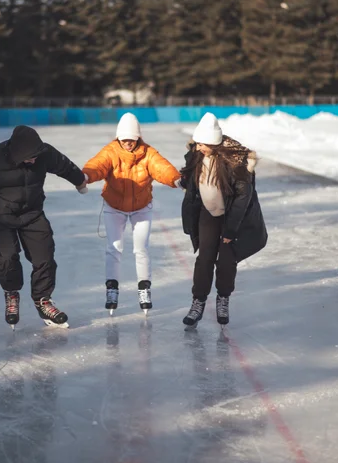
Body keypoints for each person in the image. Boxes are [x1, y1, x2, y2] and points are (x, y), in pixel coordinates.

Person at [0, 125, 88, 329]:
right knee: (8, 256)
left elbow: (64, 166)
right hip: (1, 217)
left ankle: (43, 300)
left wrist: (79, 181)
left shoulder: (44, 153)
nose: (34, 160)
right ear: (17, 153)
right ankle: (12, 293)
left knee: (45, 256)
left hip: (32, 213)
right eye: (29, 157)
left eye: (36, 156)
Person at [83, 112, 181, 315]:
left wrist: (176, 179)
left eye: (131, 139)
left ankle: (144, 289)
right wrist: (85, 175)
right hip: (114, 206)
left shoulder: (148, 153)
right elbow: (97, 165)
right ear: (118, 137)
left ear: (138, 138)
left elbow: (162, 168)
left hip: (142, 207)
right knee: (114, 247)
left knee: (141, 248)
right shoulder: (110, 151)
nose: (127, 143)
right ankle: (112, 289)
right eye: (124, 139)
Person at [180, 112, 267, 327]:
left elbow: (242, 198)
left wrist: (230, 231)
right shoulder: (196, 154)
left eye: (202, 143)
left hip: (231, 216)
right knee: (204, 258)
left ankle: (223, 298)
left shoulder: (235, 162)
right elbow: (189, 177)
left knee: (227, 260)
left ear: (213, 143)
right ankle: (198, 301)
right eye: (198, 142)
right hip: (207, 214)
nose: (198, 146)